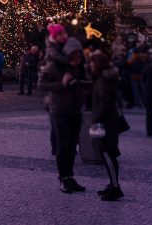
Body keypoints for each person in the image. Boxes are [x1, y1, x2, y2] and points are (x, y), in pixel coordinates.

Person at [39, 37, 87, 194]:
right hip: (59, 110)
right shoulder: (54, 66)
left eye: (79, 56)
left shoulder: (78, 67)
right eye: (74, 56)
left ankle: (70, 176)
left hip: (75, 110)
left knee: (72, 146)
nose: (77, 59)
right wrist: (62, 84)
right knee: (63, 144)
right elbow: (41, 84)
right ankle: (63, 178)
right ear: (68, 54)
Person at [88, 51, 124, 201]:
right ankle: (112, 184)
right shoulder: (104, 79)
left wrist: (96, 117)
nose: (89, 65)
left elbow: (105, 102)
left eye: (91, 63)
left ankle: (115, 187)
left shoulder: (103, 81)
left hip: (106, 123)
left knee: (107, 154)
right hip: (108, 122)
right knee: (107, 153)